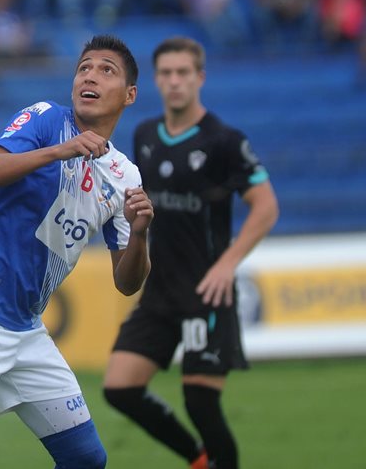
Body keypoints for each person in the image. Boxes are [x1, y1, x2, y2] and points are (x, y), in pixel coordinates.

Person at [0, 34, 154, 469]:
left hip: (26, 331)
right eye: (84, 66)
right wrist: (60, 151)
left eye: (107, 70)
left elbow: (127, 282)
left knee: (87, 459)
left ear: (129, 95)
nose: (90, 75)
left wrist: (140, 234)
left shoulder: (126, 175)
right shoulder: (47, 119)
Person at [103, 37, 279, 469]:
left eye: (183, 73)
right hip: (160, 291)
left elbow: (266, 206)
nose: (174, 81)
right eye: (166, 73)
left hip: (206, 291)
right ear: (155, 81)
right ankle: (199, 461)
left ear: (200, 78)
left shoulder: (223, 140)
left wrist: (227, 265)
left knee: (201, 401)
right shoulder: (144, 135)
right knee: (119, 387)